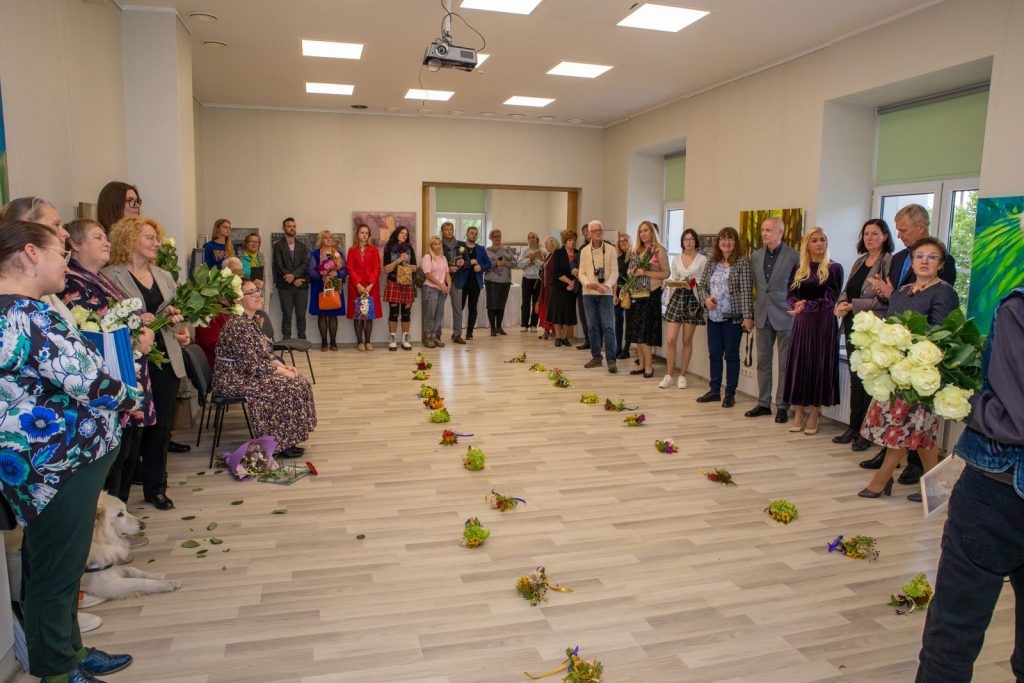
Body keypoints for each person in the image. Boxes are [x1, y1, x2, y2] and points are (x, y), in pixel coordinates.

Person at [0, 219, 143, 683]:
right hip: (57, 467)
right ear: (30, 254)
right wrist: (129, 393)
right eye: (60, 251)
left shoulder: (21, 311)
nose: (67, 261)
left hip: (42, 466)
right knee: (56, 573)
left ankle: (68, 653)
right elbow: (91, 381)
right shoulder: (27, 314)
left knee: (49, 568)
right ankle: (61, 671)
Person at [916, 284, 1024, 683]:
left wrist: (960, 398)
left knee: (953, 635)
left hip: (999, 490)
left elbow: (1015, 419)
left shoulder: (1019, 307)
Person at [60, 219, 157, 502]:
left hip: (126, 378)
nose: (106, 242)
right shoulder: (72, 284)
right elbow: (87, 335)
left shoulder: (99, 278)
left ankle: (116, 518)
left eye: (106, 236)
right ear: (75, 245)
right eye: (97, 237)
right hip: (106, 386)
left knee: (127, 458)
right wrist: (134, 338)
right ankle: (106, 527)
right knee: (113, 466)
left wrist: (141, 325)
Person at [858, 237, 959, 500]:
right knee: (922, 433)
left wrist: (909, 345)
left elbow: (941, 332)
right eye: (919, 256)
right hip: (896, 371)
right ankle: (937, 486)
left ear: (941, 264)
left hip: (923, 372)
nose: (924, 261)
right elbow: (890, 325)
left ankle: (882, 479)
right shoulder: (902, 292)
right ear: (912, 262)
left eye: (932, 257)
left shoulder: (944, 292)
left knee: (903, 428)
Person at [104, 216, 190, 511]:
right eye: (149, 238)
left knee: (161, 429)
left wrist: (182, 328)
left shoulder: (164, 275)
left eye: (157, 238)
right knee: (132, 434)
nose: (157, 243)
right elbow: (106, 323)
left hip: (165, 359)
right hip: (132, 363)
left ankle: (157, 488)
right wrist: (135, 321)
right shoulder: (109, 276)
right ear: (129, 240)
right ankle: (119, 499)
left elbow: (179, 314)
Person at [213, 279, 317, 458]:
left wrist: (283, 365)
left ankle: (289, 439)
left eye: (257, 291)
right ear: (238, 299)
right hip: (234, 378)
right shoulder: (238, 324)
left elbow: (264, 352)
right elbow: (252, 364)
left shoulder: (250, 320)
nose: (257, 295)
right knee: (286, 386)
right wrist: (282, 372)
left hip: (246, 371)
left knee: (299, 381)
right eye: (250, 292)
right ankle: (278, 444)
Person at [833, 219, 894, 453]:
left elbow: (886, 299)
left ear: (885, 236)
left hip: (872, 328)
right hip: (852, 325)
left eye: (875, 234)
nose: (870, 238)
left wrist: (853, 305)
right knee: (855, 378)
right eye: (866, 234)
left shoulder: (888, 262)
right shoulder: (860, 261)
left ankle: (866, 432)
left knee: (868, 380)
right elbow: (847, 289)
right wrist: (841, 304)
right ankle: (853, 426)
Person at [781, 227, 844, 434]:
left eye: (822, 240)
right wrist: (796, 304)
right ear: (807, 244)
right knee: (801, 365)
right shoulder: (799, 267)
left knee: (818, 366)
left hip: (823, 324)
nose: (819, 243)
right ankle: (799, 410)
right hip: (802, 324)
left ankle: (815, 413)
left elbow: (831, 298)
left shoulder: (834, 268)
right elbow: (790, 293)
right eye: (814, 240)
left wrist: (805, 305)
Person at [744, 216, 799, 422]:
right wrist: (749, 315)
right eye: (763, 230)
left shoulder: (794, 256)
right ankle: (763, 403)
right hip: (762, 316)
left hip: (786, 316)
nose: (764, 233)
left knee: (785, 364)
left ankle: (783, 406)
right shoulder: (756, 256)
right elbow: (752, 288)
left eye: (768, 230)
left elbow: (799, 287)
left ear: (780, 232)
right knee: (762, 362)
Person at [695, 226, 754, 407]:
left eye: (730, 239)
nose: (726, 242)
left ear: (735, 242)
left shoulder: (742, 263)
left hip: (732, 318)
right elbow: (701, 286)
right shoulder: (712, 262)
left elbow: (745, 291)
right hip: (713, 317)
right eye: (723, 239)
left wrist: (748, 316)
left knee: (731, 356)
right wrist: (706, 301)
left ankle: (730, 393)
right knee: (714, 355)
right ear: (718, 243)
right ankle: (714, 390)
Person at [659, 228, 707, 389]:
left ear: (695, 242)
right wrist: (668, 282)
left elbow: (703, 281)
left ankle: (683, 375)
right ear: (682, 242)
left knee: (687, 340)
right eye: (686, 239)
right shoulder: (676, 259)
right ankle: (668, 375)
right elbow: (674, 277)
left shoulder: (702, 259)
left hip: (693, 299)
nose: (688, 242)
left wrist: (692, 284)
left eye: (691, 239)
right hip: (677, 297)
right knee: (671, 339)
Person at [626, 220, 669, 378]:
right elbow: (631, 269)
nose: (643, 234)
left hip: (651, 294)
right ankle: (642, 365)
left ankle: (649, 366)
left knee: (646, 333)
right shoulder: (637, 251)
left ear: (652, 232)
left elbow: (666, 273)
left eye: (646, 230)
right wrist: (632, 272)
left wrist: (646, 273)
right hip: (637, 294)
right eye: (640, 231)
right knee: (637, 332)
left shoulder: (658, 250)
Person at [579, 220, 619, 373]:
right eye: (594, 230)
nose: (597, 232)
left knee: (608, 327)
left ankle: (611, 360)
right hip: (588, 294)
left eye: (599, 230)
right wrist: (588, 284)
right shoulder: (584, 251)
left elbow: (615, 272)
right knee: (592, 327)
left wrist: (607, 286)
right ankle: (596, 357)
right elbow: (581, 272)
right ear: (589, 233)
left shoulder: (610, 250)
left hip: (606, 294)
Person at [272, 217, 311, 340]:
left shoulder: (302, 246)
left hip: (301, 286)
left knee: (301, 315)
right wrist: (292, 279)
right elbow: (279, 265)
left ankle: (302, 340)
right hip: (285, 286)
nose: (292, 228)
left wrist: (294, 276)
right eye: (289, 226)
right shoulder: (278, 246)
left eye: (294, 226)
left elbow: (305, 264)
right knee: (287, 315)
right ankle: (287, 340)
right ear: (284, 228)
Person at [308, 230, 346, 351]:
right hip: (320, 286)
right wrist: (322, 276)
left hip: (335, 285)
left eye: (330, 237)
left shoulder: (338, 254)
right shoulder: (315, 254)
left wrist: (338, 273)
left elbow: (345, 270)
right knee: (322, 315)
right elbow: (311, 271)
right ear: (321, 240)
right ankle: (324, 342)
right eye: (325, 237)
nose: (328, 239)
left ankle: (333, 342)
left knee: (333, 316)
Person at [347, 224, 382, 351]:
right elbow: (350, 268)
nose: (364, 235)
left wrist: (370, 284)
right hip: (356, 287)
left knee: (368, 315)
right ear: (357, 234)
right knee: (358, 315)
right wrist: (358, 284)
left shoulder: (374, 250)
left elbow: (377, 268)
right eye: (362, 232)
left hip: (370, 287)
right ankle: (360, 342)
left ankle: (368, 341)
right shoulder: (352, 250)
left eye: (366, 233)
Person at [381, 225, 417, 350]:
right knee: (394, 313)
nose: (404, 235)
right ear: (396, 233)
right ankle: (392, 340)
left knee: (406, 314)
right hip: (393, 282)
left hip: (407, 283)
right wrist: (398, 260)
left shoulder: (410, 249)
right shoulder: (388, 248)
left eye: (406, 234)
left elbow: (414, 267)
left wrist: (407, 263)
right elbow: (386, 269)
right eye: (402, 233)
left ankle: (405, 340)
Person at [453, 226, 490, 341]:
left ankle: (469, 332)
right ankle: (457, 332)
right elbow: (454, 261)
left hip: (475, 283)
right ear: (466, 234)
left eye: (475, 233)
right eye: (471, 233)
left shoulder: (481, 248)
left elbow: (488, 264)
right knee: (460, 307)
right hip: (461, 282)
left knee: (473, 308)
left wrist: (481, 267)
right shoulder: (459, 247)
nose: (473, 235)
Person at [546, 229, 578, 347]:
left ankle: (564, 337)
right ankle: (558, 337)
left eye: (574, 240)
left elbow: (581, 270)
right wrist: (569, 281)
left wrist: (574, 283)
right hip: (558, 287)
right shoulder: (558, 253)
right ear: (565, 241)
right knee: (558, 312)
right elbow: (556, 272)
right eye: (570, 240)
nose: (572, 242)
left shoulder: (578, 253)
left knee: (568, 313)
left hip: (572, 288)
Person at [420, 235, 450, 348]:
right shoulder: (428, 257)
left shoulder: (443, 258)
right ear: (431, 246)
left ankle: (435, 336)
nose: (437, 246)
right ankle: (428, 338)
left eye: (439, 244)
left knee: (439, 314)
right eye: (435, 244)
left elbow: (447, 273)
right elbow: (427, 273)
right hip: (430, 289)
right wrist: (440, 284)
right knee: (430, 314)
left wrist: (449, 284)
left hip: (442, 290)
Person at [484, 228, 516, 336]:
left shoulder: (507, 250)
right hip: (491, 280)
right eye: (495, 236)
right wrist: (495, 264)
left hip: (505, 281)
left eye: (499, 236)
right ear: (491, 238)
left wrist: (505, 262)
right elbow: (484, 265)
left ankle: (499, 327)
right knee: (492, 305)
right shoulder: (486, 251)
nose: (498, 238)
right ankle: (493, 328)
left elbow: (515, 263)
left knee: (501, 305)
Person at [440, 221, 467, 344]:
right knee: (439, 308)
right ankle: (436, 334)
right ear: (442, 231)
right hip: (442, 281)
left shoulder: (461, 245)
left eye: (451, 229)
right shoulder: (438, 245)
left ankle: (457, 335)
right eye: (446, 229)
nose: (449, 231)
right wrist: (448, 269)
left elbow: (468, 262)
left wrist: (463, 263)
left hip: (457, 281)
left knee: (457, 309)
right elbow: (435, 263)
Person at [518, 231, 545, 331]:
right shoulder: (525, 250)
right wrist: (529, 260)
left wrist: (534, 260)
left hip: (538, 280)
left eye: (533, 237)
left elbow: (543, 265)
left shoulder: (542, 251)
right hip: (526, 279)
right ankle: (524, 324)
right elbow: (519, 264)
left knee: (536, 303)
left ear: (537, 239)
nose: (532, 239)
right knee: (525, 303)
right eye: (529, 238)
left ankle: (533, 324)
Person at [613, 232, 632, 360]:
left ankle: (626, 349)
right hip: (618, 291)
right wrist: (614, 294)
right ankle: (618, 347)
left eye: (625, 240)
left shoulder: (633, 258)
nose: (623, 242)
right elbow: (615, 278)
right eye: (621, 241)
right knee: (618, 322)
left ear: (629, 242)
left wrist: (627, 290)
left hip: (630, 292)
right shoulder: (618, 258)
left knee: (629, 322)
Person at [536, 236, 559, 341]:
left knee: (551, 309)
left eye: (547, 244)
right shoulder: (549, 255)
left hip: (551, 287)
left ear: (553, 244)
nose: (545, 246)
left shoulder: (556, 255)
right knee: (545, 309)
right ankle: (546, 330)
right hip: (545, 286)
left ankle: (554, 332)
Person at [575, 222, 592, 350]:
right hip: (582, 287)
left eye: (587, 231)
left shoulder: (605, 247)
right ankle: (588, 340)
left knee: (593, 316)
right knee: (583, 315)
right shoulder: (582, 248)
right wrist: (574, 270)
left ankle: (595, 340)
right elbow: (574, 263)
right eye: (584, 232)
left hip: (595, 288)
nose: (585, 234)